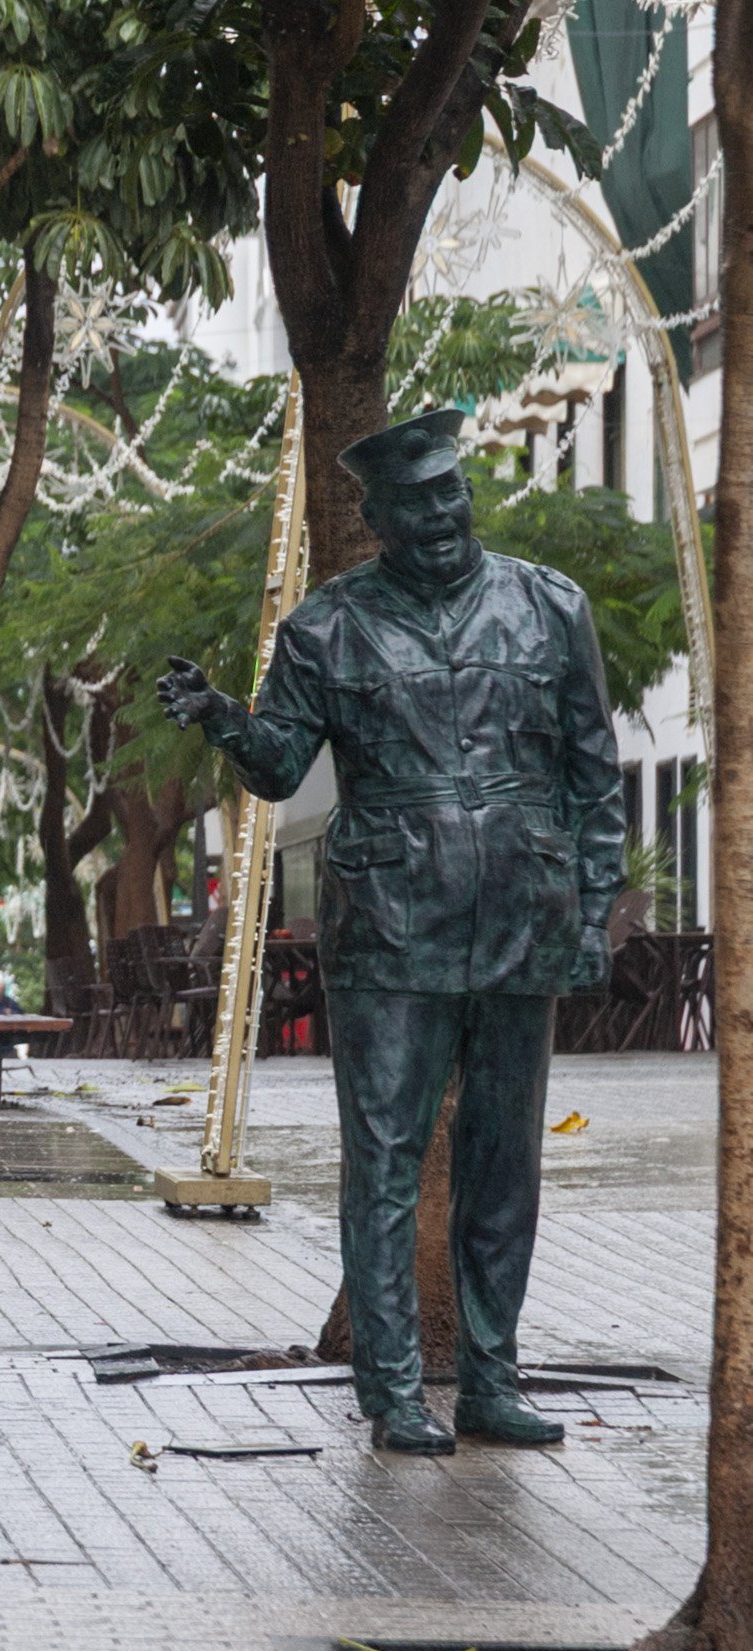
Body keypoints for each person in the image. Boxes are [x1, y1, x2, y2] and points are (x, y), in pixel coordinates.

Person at [159, 407, 622, 1455]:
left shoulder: (550, 606)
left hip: (519, 913)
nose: (442, 517)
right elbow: (281, 765)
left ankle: (492, 1379)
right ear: (375, 519)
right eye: (415, 505)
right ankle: (392, 1390)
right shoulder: (324, 627)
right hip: (388, 925)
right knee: (383, 1157)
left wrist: (593, 908)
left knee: (504, 1161)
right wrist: (224, 716)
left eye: (451, 494)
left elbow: (593, 774)